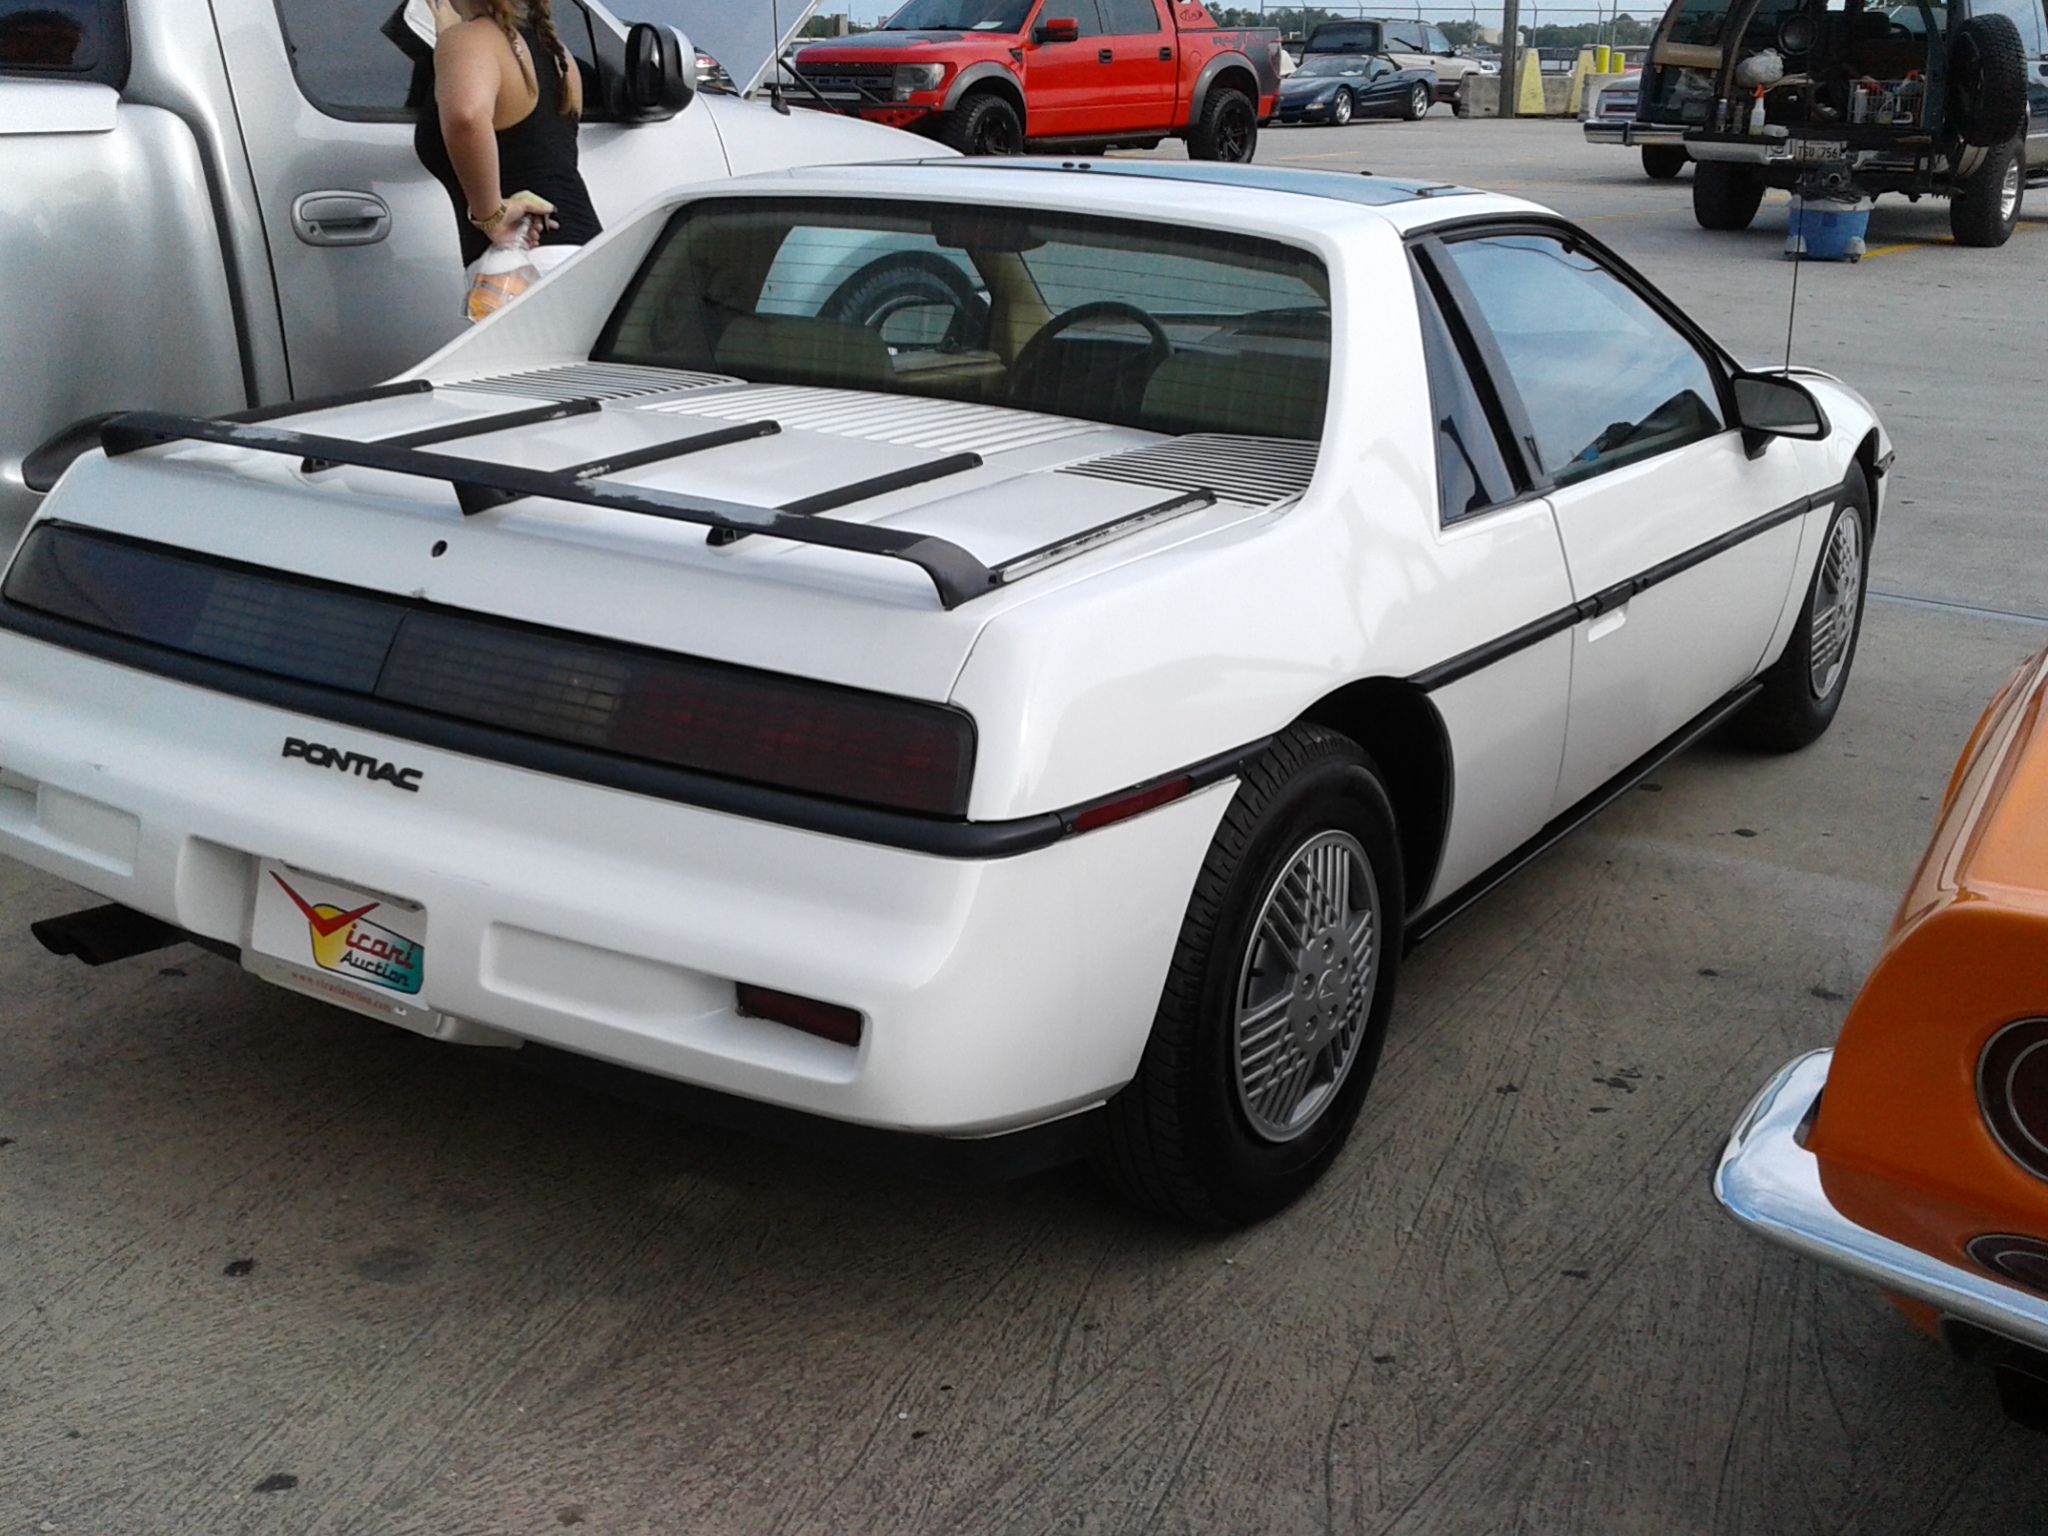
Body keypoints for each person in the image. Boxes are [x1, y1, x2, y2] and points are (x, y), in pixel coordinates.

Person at [413, 0, 601, 297]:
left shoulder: (468, 40)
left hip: (526, 263)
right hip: (584, 254)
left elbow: (467, 118)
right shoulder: (558, 55)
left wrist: (491, 214)